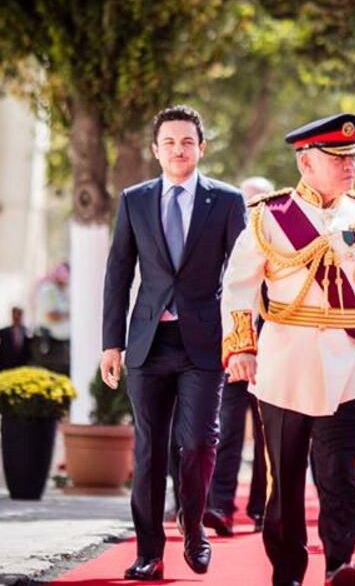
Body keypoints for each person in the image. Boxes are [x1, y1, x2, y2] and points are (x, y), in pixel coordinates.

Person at [220, 113, 355, 586]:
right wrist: (241, 348)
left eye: (353, 158)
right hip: (284, 368)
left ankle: (339, 565)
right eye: (339, 158)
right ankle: (288, 572)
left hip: (348, 370)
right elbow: (238, 286)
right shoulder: (269, 215)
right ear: (306, 163)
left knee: (340, 478)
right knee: (284, 484)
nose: (350, 167)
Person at [100, 105, 247, 581]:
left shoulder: (227, 202)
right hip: (149, 343)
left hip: (204, 344)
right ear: (156, 150)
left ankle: (193, 522)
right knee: (148, 451)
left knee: (199, 443)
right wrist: (111, 343)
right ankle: (149, 551)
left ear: (201, 148)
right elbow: (118, 273)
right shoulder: (135, 200)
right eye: (169, 142)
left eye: (187, 142)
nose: (178, 150)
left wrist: (245, 340)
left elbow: (243, 276)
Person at [203, 175, 275, 536]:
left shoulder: (283, 246)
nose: (254, 210)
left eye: (262, 202)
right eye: (248, 204)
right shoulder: (223, 247)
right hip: (233, 355)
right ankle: (220, 506)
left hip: (274, 358)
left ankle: (263, 507)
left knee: (267, 438)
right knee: (227, 431)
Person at [33, 262, 71, 373]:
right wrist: (68, 315)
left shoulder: (61, 291)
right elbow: (50, 315)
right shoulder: (49, 290)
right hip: (51, 343)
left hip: (62, 343)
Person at [0, 306, 32, 371]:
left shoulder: (28, 333)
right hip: (5, 368)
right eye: (15, 314)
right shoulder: (2, 332)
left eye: (19, 314)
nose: (16, 317)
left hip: (22, 369)